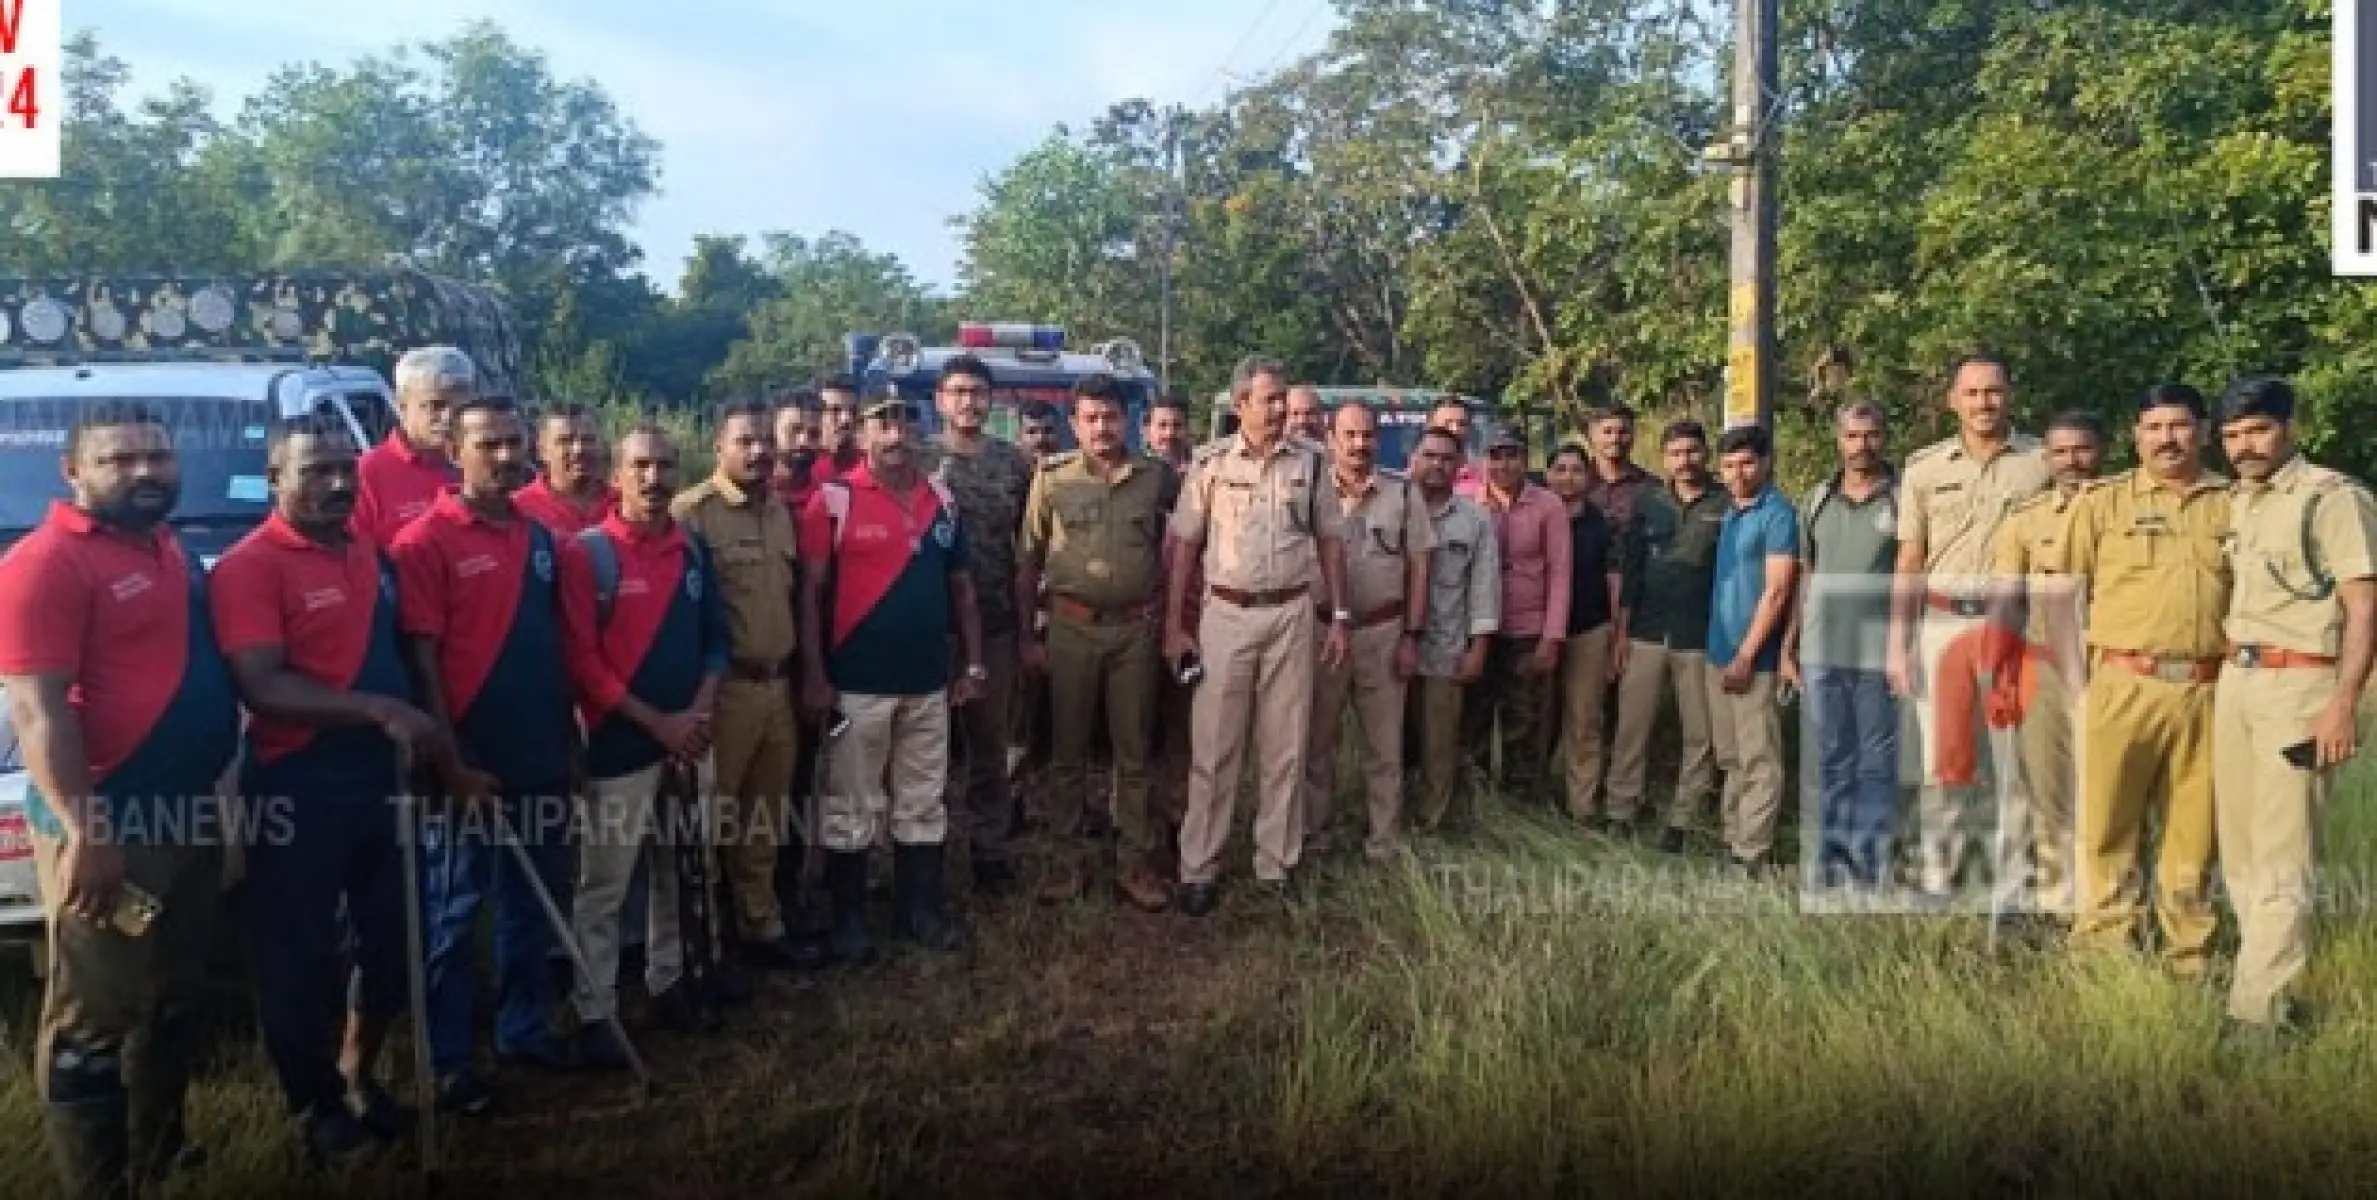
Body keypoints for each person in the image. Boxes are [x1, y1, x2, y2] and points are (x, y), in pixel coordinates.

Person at [0, 403, 242, 1196]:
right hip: (109, 823)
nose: (144, 472)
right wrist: (82, 829)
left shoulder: (168, 547)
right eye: (119, 460)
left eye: (157, 457)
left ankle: (161, 1153)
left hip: (188, 812)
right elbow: (37, 709)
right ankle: (96, 1187)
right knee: (90, 1022)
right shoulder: (45, 563)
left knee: (172, 997)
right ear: (73, 472)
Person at [208, 415, 438, 1164]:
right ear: (275, 481)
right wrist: (378, 708)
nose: (338, 484)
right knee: (299, 956)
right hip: (298, 782)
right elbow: (263, 683)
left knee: (394, 944)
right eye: (315, 472)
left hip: (382, 779)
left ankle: (357, 1075)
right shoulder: (250, 566)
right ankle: (314, 1106)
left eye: (347, 469)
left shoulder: (369, 553)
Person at [389, 395, 582, 1114]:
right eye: (487, 445)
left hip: (536, 748)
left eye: (512, 443)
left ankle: (521, 1027)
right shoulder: (423, 542)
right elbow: (423, 661)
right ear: (454, 451)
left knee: (528, 900)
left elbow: (552, 647)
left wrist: (566, 744)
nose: (504, 457)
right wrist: (451, 763)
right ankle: (445, 1060)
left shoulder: (537, 538)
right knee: (453, 911)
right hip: (465, 760)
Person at [558, 424, 732, 1060]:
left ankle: (671, 981)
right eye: (641, 467)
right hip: (618, 747)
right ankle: (595, 1010)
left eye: (664, 465)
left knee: (680, 869)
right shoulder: (588, 554)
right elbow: (582, 662)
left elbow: (717, 639)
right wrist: (657, 724)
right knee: (603, 886)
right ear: (618, 476)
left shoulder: (692, 550)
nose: (655, 479)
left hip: (689, 740)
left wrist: (698, 713)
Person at [2212, 376, 2376, 1036]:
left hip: (2299, 686)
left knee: (2283, 852)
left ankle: (2250, 1018)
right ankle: (2274, 994)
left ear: (2288, 427)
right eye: (2230, 436)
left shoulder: (2331, 498)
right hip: (2238, 682)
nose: (2244, 447)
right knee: (2242, 853)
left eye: (2256, 431)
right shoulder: (2239, 501)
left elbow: (2363, 605)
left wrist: (2343, 702)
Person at [798, 393, 987, 959]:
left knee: (924, 800)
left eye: (905, 422)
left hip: (928, 682)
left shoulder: (942, 499)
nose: (895, 434)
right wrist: (814, 674)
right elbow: (809, 594)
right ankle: (850, 921)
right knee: (852, 803)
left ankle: (919, 911)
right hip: (857, 681)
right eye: (883, 423)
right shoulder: (833, 499)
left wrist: (973, 663)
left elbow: (963, 590)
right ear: (861, 433)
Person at [1165, 355, 1352, 914]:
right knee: (1215, 747)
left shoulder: (1313, 465)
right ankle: (1199, 867)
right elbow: (1185, 548)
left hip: (1292, 613)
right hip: (1226, 616)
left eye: (1283, 399)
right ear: (1240, 404)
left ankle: (1277, 864)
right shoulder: (1211, 464)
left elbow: (1331, 543)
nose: (1280, 409)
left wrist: (1338, 615)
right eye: (1269, 400)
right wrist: (1175, 624)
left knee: (1285, 746)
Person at [2060, 382, 2230, 978]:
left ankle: (2190, 959)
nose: (2167, 438)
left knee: (2196, 833)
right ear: (2136, 436)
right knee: (2107, 827)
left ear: (2204, 433)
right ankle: (2105, 956)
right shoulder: (2102, 504)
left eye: (2180, 426)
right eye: (2154, 428)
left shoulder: (2234, 504)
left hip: (2209, 692)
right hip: (2121, 684)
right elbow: (2062, 597)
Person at [1888, 351, 2050, 900]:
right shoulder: (1924, 469)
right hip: (1942, 625)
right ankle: (1940, 872)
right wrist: (1898, 645)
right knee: (1946, 759)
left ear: (2011, 395)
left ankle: (2013, 881)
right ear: (1953, 400)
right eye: (1973, 393)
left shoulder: (2041, 463)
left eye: (1994, 391)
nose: (1984, 403)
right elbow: (1909, 560)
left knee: (2015, 764)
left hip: (2017, 630)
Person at [1015, 374, 1176, 909]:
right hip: (1070, 629)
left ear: (1126, 419)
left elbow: (1180, 547)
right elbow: (1028, 559)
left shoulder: (1156, 478)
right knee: (1067, 753)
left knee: (1134, 754)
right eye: (1090, 418)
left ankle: (1136, 863)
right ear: (1074, 423)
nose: (1101, 427)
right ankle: (1064, 866)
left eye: (1109, 416)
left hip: (1135, 631)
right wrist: (1026, 637)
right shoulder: (1052, 478)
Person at [672, 400, 817, 972]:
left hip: (777, 689)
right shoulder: (693, 514)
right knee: (713, 821)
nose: (759, 452)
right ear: (719, 449)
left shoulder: (780, 512)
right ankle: (708, 943)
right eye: (745, 442)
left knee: (765, 819)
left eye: (764, 441)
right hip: (724, 694)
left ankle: (762, 927)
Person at [916, 355, 1033, 897]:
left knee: (988, 747)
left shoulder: (1014, 465)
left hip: (995, 625)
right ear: (940, 400)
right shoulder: (916, 461)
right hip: (930, 625)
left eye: (978, 392)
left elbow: (1029, 548)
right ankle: (924, 856)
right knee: (927, 749)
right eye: (958, 391)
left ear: (992, 401)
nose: (969, 401)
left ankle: (989, 850)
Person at [1986, 410, 2108, 918]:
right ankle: (2062, 911)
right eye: (2060, 452)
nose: (2071, 461)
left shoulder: (2125, 507)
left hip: (2114, 668)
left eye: (2082, 449)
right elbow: (2007, 600)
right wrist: (2002, 672)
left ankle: (2113, 909)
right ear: (2047, 458)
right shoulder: (2026, 519)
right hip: (2048, 669)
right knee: (2049, 795)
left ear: (2101, 450)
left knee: (2112, 797)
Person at [1779, 403, 1901, 890]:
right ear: (1839, 440)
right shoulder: (1816, 501)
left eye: (1871, 436)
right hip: (1821, 650)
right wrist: (1789, 644)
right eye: (1853, 436)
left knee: (1875, 761)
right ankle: (1827, 859)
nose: (1862, 446)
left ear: (1884, 438)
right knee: (1830, 757)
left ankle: (1871, 864)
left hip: (1877, 654)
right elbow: (1805, 577)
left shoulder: (1905, 500)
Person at [1304, 403, 1433, 859]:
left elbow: (1420, 568)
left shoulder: (1402, 494)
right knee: (1316, 743)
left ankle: (1383, 840)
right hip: (1323, 636)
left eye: (1368, 435)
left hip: (1383, 633)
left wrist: (1411, 636)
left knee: (1384, 746)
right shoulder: (1310, 493)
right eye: (1350, 435)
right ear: (1330, 438)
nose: (1360, 445)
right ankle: (1314, 834)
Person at [1609, 421, 1728, 852]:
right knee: (1631, 726)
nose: (1685, 461)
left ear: (1705, 454)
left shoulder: (1725, 502)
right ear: (1664, 458)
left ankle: (1684, 817)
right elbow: (1632, 570)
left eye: (1693, 452)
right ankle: (1620, 809)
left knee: (1700, 733)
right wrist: (1621, 632)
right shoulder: (1649, 501)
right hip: (1646, 630)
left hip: (1698, 635)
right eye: (1676, 453)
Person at [1705, 425, 1800, 873]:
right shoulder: (1731, 511)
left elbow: (1778, 591)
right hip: (1718, 650)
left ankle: (1752, 850)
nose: (1737, 473)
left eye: (1746, 463)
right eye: (1727, 465)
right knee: (1731, 755)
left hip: (1753, 658)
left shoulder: (1777, 514)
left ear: (1764, 463)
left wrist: (1747, 655)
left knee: (1759, 757)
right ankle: (1732, 837)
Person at [1463, 421, 1570, 807]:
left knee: (1524, 722)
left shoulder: (1548, 506)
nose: (1503, 465)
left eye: (1511, 456)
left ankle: (1521, 804)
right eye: (1495, 456)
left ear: (1525, 460)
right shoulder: (1470, 504)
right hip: (1480, 627)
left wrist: (1552, 636)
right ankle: (1475, 803)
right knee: (1474, 718)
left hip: (1529, 629)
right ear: (1482, 461)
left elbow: (1560, 573)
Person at [1405, 427, 1500, 830]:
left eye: (1447, 458)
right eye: (1429, 456)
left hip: (1446, 646)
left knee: (1439, 744)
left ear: (1461, 466)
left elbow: (1484, 588)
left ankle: (1431, 821)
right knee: (1390, 742)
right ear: (1414, 459)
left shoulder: (1474, 521)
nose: (1437, 465)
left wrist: (1478, 648)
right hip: (1390, 646)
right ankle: (1388, 815)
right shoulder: (1393, 505)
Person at [1542, 444, 1627, 829]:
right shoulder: (1537, 516)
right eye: (1560, 469)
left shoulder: (1601, 524)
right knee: (1539, 718)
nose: (1568, 478)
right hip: (1538, 631)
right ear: (1547, 475)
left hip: (1588, 629)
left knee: (1584, 720)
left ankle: (1582, 806)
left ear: (1590, 477)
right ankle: (1531, 798)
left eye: (1576, 470)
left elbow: (1614, 581)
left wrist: (1614, 635)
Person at [354, 345, 469, 545]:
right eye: (435, 405)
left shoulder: (483, 461)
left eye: (461, 405)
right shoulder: (367, 474)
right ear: (401, 405)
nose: (449, 416)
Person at [514, 402, 617, 537]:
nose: (579, 449)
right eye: (566, 441)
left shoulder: (623, 504)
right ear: (542, 450)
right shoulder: (519, 509)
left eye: (588, 439)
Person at [1580, 404, 1655, 537]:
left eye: (1623, 432)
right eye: (1607, 432)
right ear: (1591, 436)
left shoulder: (1651, 487)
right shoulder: (1575, 482)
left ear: (1633, 436)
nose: (1615, 439)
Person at [814, 373, 865, 486]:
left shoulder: (871, 465)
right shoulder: (800, 467)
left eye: (853, 411)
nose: (846, 419)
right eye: (835, 410)